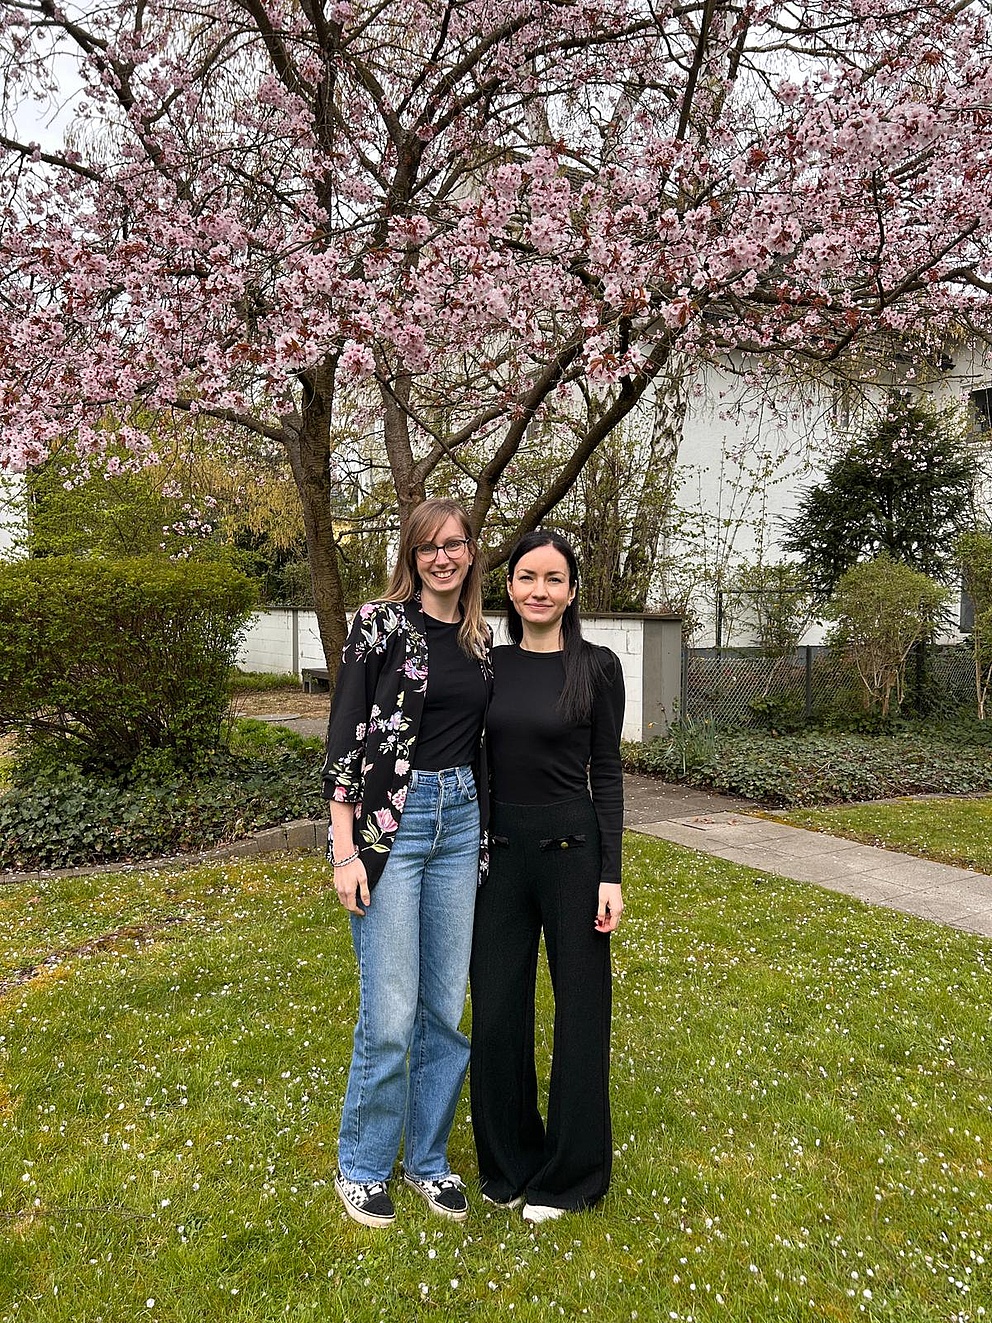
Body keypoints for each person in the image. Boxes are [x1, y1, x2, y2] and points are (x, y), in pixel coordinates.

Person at [322, 498, 492, 1229]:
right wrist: (343, 847)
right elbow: (344, 739)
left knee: (445, 1010)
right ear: (411, 555)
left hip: (460, 822)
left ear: (472, 553)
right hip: (393, 824)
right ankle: (361, 1164)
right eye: (429, 546)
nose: (443, 556)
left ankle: (426, 1160)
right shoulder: (379, 625)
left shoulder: (482, 638)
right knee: (390, 1012)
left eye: (454, 544)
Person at [469, 529, 624, 1224]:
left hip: (573, 856)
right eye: (527, 577)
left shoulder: (597, 666)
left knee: (580, 1013)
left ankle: (572, 1174)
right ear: (509, 587)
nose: (539, 589)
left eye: (554, 578)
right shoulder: (488, 665)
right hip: (499, 857)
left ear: (570, 591)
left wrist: (611, 874)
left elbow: (609, 772)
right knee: (499, 1010)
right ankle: (509, 1161)